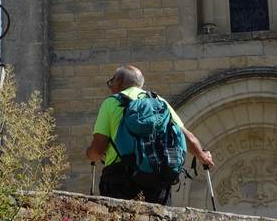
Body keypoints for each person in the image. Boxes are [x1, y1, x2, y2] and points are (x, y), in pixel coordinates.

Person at [86, 64, 213, 201]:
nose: (110, 86)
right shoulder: (159, 101)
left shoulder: (111, 103)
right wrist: (203, 157)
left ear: (120, 82)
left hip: (120, 178)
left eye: (112, 81)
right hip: (158, 180)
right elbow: (188, 137)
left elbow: (98, 151)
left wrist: (89, 154)